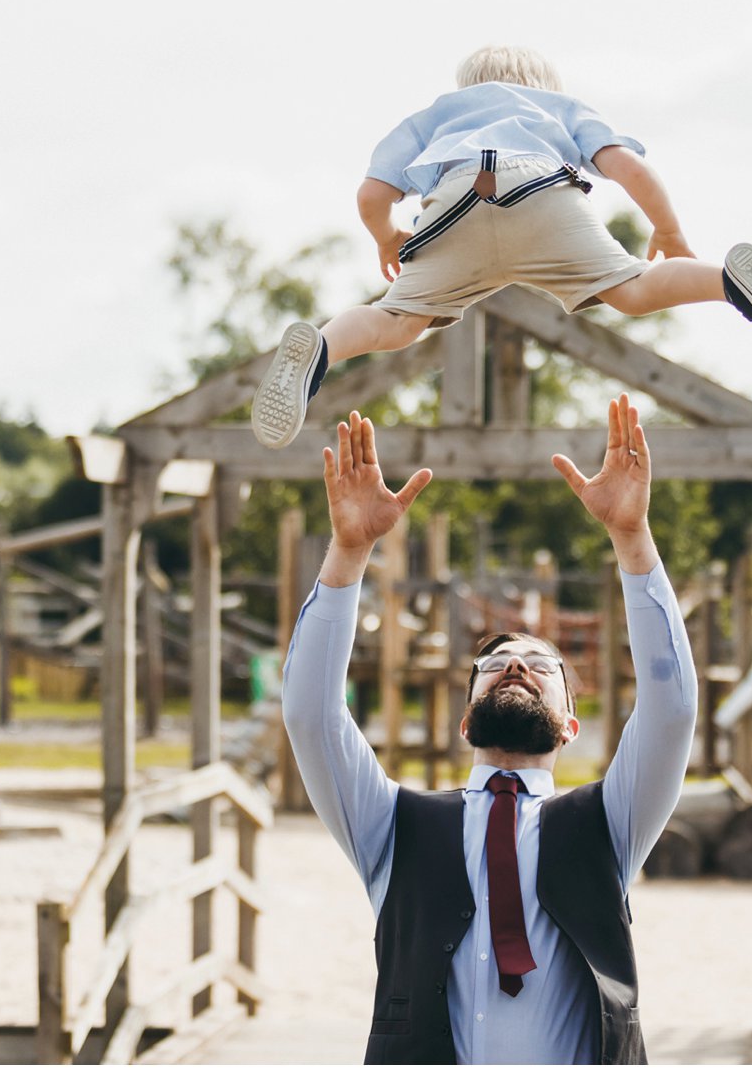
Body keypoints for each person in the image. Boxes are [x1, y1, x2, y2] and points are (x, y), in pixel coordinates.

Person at [281, 395, 696, 1064]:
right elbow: (308, 712)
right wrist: (349, 553)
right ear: (466, 717)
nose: (514, 667)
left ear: (569, 723)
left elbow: (672, 709)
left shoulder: (608, 824)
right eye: (495, 663)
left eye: (539, 665)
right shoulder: (393, 824)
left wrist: (632, 540)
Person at [251, 44, 752, 447]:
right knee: (632, 288)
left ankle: (320, 349)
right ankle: (729, 282)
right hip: (543, 189)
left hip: (454, 201)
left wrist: (387, 237)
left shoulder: (438, 116)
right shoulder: (561, 108)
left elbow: (372, 192)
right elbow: (629, 169)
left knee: (394, 320)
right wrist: (668, 231)